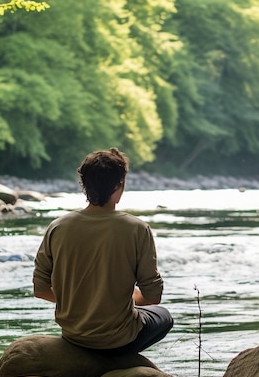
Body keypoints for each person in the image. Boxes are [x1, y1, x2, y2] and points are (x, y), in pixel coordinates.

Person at [33, 147, 173, 354]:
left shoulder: (58, 227)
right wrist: (120, 299)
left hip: (73, 336)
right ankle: (117, 363)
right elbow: (153, 297)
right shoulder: (137, 229)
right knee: (164, 316)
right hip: (119, 340)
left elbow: (40, 289)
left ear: (84, 186)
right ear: (119, 186)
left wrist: (79, 300)